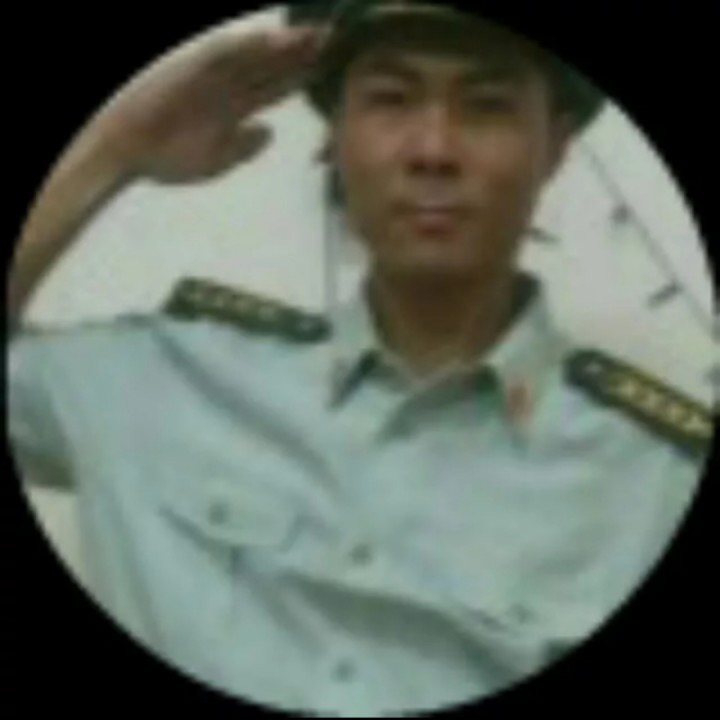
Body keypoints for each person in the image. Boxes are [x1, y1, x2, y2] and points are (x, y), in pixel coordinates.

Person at [6, 0, 713, 716]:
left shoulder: (660, 482)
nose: (433, 149)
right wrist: (111, 153)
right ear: (334, 138)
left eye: (487, 106)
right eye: (391, 99)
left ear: (554, 150)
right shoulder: (159, 383)